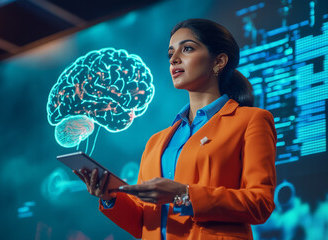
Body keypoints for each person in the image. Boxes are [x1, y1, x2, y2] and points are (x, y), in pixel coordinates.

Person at [74, 18, 277, 240]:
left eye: (187, 49)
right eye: (171, 54)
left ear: (219, 61)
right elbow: (144, 223)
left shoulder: (251, 121)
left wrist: (183, 195)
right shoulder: (156, 142)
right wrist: (110, 197)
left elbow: (260, 203)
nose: (174, 59)